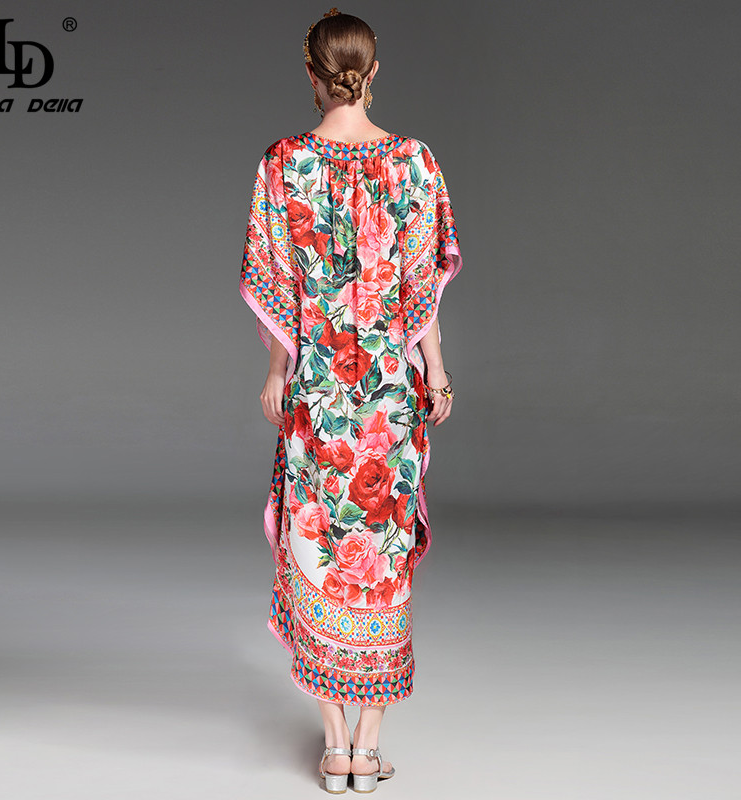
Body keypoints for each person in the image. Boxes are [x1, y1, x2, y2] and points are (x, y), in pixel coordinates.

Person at [239, 8, 463, 793]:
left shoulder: (283, 163)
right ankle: (369, 748)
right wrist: (436, 373)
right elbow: (421, 287)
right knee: (382, 564)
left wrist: (277, 374)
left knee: (320, 552)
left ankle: (334, 746)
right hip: (387, 402)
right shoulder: (415, 162)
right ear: (373, 72)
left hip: (318, 397)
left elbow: (281, 290)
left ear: (312, 74)